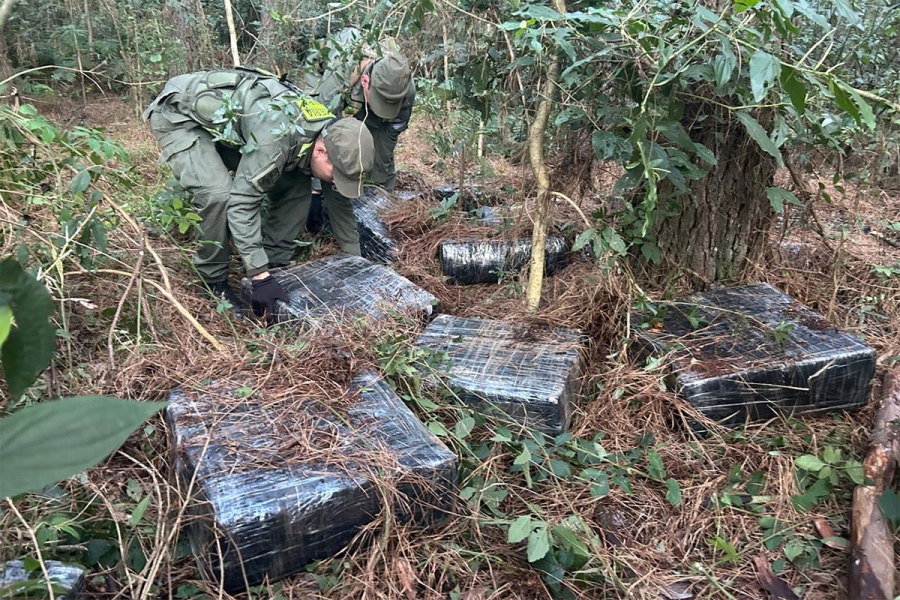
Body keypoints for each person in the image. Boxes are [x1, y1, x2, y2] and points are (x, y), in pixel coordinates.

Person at [143, 68, 374, 320]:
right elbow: (242, 204)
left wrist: (357, 264)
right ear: (320, 152)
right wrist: (259, 276)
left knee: (297, 188)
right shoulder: (276, 139)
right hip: (180, 116)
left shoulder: (333, 134)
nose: (335, 182)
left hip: (228, 126)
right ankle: (213, 280)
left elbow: (340, 203)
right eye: (336, 176)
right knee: (218, 194)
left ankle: (276, 263)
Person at [302, 27, 415, 235]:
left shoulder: (403, 87)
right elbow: (319, 133)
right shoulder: (341, 71)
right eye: (380, 100)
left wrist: (381, 192)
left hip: (363, 92)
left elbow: (388, 138)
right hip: (323, 76)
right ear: (365, 82)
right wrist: (316, 187)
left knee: (375, 154)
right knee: (333, 143)